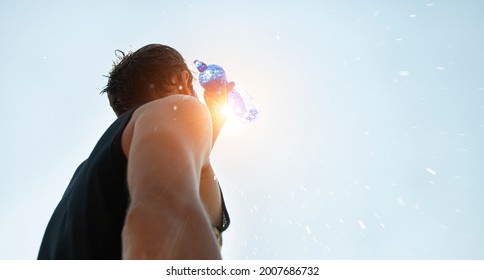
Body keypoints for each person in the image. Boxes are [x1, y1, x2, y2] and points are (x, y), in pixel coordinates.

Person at [38, 44, 231, 260]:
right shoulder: (180, 107)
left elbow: (169, 165)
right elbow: (160, 219)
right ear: (183, 80)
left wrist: (206, 131)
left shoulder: (84, 176)